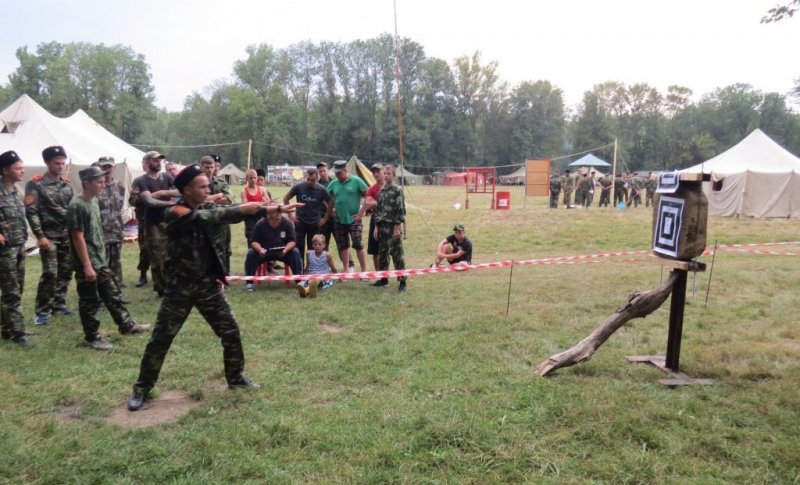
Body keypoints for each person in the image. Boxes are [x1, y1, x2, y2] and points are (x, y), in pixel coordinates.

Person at [127, 165, 303, 411]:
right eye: (202, 186)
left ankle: (235, 377)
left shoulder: (205, 206)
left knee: (230, 331)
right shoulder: (175, 212)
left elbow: (228, 209)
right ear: (186, 190)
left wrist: (272, 208)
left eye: (208, 185)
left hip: (206, 285)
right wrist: (264, 208)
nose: (208, 189)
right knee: (161, 338)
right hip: (180, 289)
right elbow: (220, 216)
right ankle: (142, 387)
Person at [68, 166, 150, 350]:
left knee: (111, 293)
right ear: (86, 183)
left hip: (99, 258)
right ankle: (92, 336)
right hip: (87, 261)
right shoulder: (77, 205)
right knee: (89, 301)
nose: (102, 185)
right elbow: (77, 236)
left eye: (103, 181)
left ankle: (126, 324)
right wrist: (87, 266)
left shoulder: (94, 201)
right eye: (98, 182)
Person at [25, 145, 75, 325]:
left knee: (66, 271)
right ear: (47, 163)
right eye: (57, 163)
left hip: (66, 235)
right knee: (50, 273)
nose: (60, 166)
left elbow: (72, 209)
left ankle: (59, 304)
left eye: (62, 163)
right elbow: (31, 211)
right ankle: (42, 311)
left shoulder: (67, 184)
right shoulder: (36, 184)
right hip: (49, 236)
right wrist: (40, 236)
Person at [0, 150, 33, 346]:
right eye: (18, 168)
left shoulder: (14, 191)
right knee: (11, 291)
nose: (22, 171)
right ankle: (18, 332)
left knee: (17, 288)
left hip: (19, 245)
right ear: (5, 170)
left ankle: (7, 327)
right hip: (4, 250)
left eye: (22, 168)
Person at [134, 151, 178, 297]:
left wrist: (161, 193)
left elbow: (179, 191)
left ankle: (171, 284)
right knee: (157, 257)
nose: (159, 162)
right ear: (147, 162)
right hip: (153, 223)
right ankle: (161, 288)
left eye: (160, 160)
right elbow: (149, 202)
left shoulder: (166, 176)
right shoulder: (142, 180)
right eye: (155, 160)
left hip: (169, 221)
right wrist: (168, 201)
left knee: (171, 255)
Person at [243, 208, 304, 292]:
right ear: (269, 213)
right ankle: (249, 283)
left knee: (295, 252)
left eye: (280, 211)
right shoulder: (260, 224)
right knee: (251, 253)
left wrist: (285, 250)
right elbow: (253, 242)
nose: (278, 214)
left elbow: (292, 241)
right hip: (264, 252)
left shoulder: (287, 223)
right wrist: (260, 249)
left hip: (282, 252)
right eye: (276, 211)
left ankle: (299, 282)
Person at [326, 160, 369, 275]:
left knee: (358, 244)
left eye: (339, 173)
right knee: (343, 246)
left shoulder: (357, 181)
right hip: (339, 220)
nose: (337, 175)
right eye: (335, 173)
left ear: (345, 170)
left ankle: (364, 271)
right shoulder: (334, 183)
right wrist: (331, 210)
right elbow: (326, 197)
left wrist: (361, 211)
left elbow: (368, 195)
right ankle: (346, 270)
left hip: (354, 220)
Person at [283, 167, 332, 266]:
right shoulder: (299, 187)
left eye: (312, 180)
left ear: (317, 178)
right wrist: (291, 216)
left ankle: (311, 268)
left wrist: (326, 217)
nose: (310, 182)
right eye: (308, 179)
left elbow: (330, 202)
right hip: (300, 222)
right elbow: (286, 199)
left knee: (313, 247)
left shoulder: (322, 190)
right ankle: (300, 268)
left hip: (315, 223)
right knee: (299, 246)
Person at [372, 164, 407, 292]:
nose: (386, 176)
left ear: (394, 175)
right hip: (382, 227)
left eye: (389, 174)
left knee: (397, 255)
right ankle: (383, 279)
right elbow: (379, 211)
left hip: (393, 227)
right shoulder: (382, 191)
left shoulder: (397, 190)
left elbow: (400, 210)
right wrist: (376, 227)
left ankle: (402, 281)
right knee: (383, 254)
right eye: (385, 174)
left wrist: (397, 228)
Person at [93, 157, 126, 288]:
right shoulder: (96, 187)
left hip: (117, 231)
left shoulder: (120, 186)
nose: (107, 170)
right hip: (101, 232)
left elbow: (120, 206)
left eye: (109, 167)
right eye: (104, 167)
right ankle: (102, 293)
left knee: (116, 263)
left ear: (114, 168)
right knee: (102, 263)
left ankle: (116, 291)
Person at [200, 155, 233, 274]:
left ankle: (226, 273)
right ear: (201, 167)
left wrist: (207, 199)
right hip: (203, 220)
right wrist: (218, 196)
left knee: (225, 247)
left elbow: (229, 199)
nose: (209, 170)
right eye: (206, 167)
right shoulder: (196, 183)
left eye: (211, 167)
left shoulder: (221, 182)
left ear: (215, 168)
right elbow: (198, 200)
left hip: (221, 219)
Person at [130, 159, 150, 288]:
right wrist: (141, 198)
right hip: (144, 219)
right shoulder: (138, 181)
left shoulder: (163, 178)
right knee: (144, 248)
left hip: (160, 220)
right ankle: (143, 274)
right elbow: (131, 200)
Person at [297, 234, 338, 298]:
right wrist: (304, 277)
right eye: (315, 244)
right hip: (311, 275)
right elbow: (307, 266)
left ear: (324, 245)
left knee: (317, 279)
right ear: (312, 245)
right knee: (303, 282)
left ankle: (307, 290)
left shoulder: (327, 255)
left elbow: (333, 267)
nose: (317, 246)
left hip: (323, 277)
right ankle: (307, 289)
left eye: (319, 244)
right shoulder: (309, 253)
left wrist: (340, 277)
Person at [240, 168, 271, 243]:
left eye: (255, 178)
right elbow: (246, 207)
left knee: (264, 242)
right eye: (251, 178)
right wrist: (260, 203)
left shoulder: (262, 190)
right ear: (246, 179)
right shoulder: (244, 191)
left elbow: (268, 204)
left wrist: (254, 204)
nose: (253, 180)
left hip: (262, 219)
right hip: (250, 221)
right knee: (252, 242)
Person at [363, 163, 385, 269]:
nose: (376, 174)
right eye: (374, 172)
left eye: (378, 171)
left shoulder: (392, 188)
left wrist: (375, 202)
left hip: (389, 221)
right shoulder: (371, 189)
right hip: (375, 219)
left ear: (383, 171)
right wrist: (383, 202)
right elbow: (368, 203)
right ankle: (379, 275)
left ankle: (389, 274)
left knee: (390, 250)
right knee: (375, 250)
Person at [316, 162, 335, 249]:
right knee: (323, 242)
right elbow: (322, 198)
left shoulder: (335, 182)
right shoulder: (317, 185)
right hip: (323, 216)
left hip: (336, 216)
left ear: (328, 170)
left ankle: (349, 263)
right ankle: (323, 262)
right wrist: (329, 210)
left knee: (341, 242)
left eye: (324, 170)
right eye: (320, 171)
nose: (322, 173)